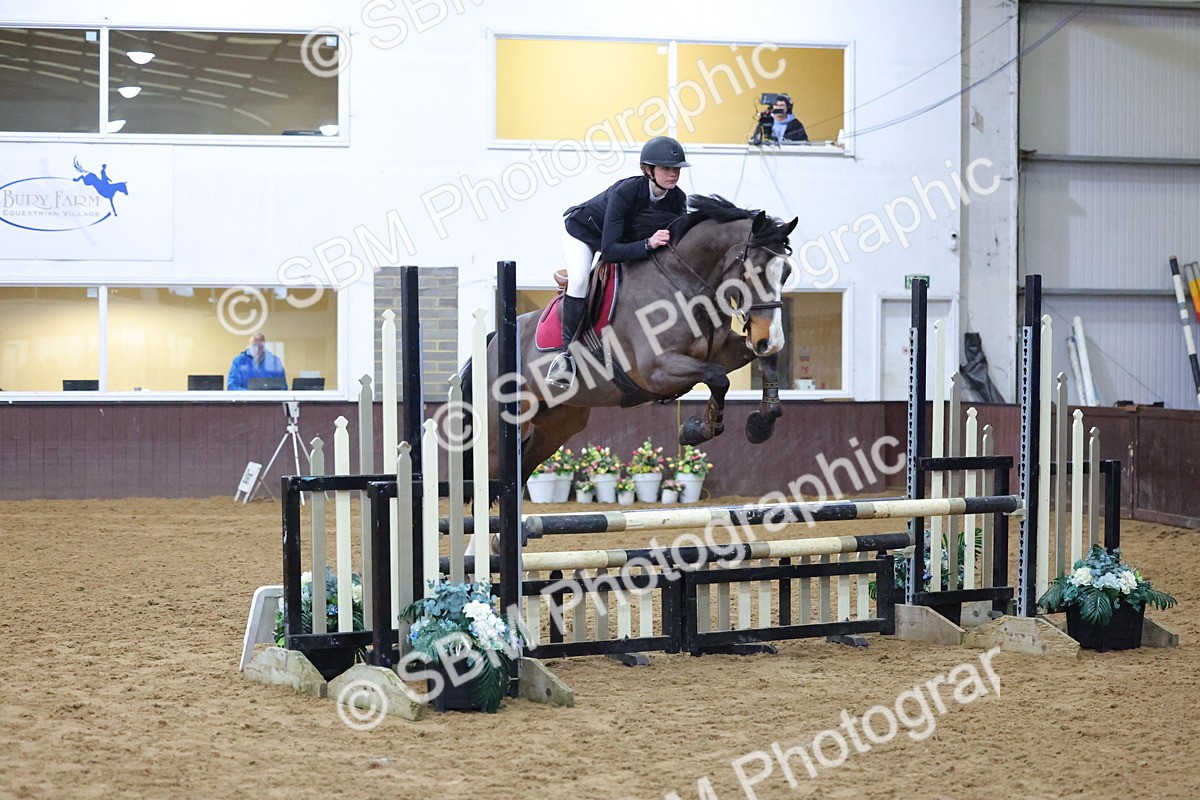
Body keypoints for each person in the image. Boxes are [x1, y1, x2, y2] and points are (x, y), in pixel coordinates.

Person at [548, 135, 690, 388]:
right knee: (580, 280)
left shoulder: (678, 199)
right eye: (667, 168)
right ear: (648, 170)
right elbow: (611, 251)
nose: (673, 174)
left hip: (621, 241)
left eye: (676, 169)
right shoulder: (626, 191)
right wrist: (647, 244)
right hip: (582, 234)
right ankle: (566, 356)